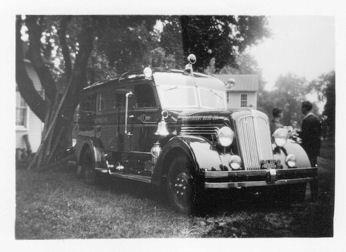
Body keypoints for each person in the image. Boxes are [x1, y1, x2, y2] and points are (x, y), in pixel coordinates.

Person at [300, 101, 322, 167]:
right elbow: (319, 133)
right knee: (314, 163)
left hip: (308, 146)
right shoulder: (317, 119)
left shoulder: (306, 120)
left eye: (302, 107)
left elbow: (305, 135)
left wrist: (297, 134)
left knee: (308, 164)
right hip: (316, 146)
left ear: (305, 108)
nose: (301, 109)